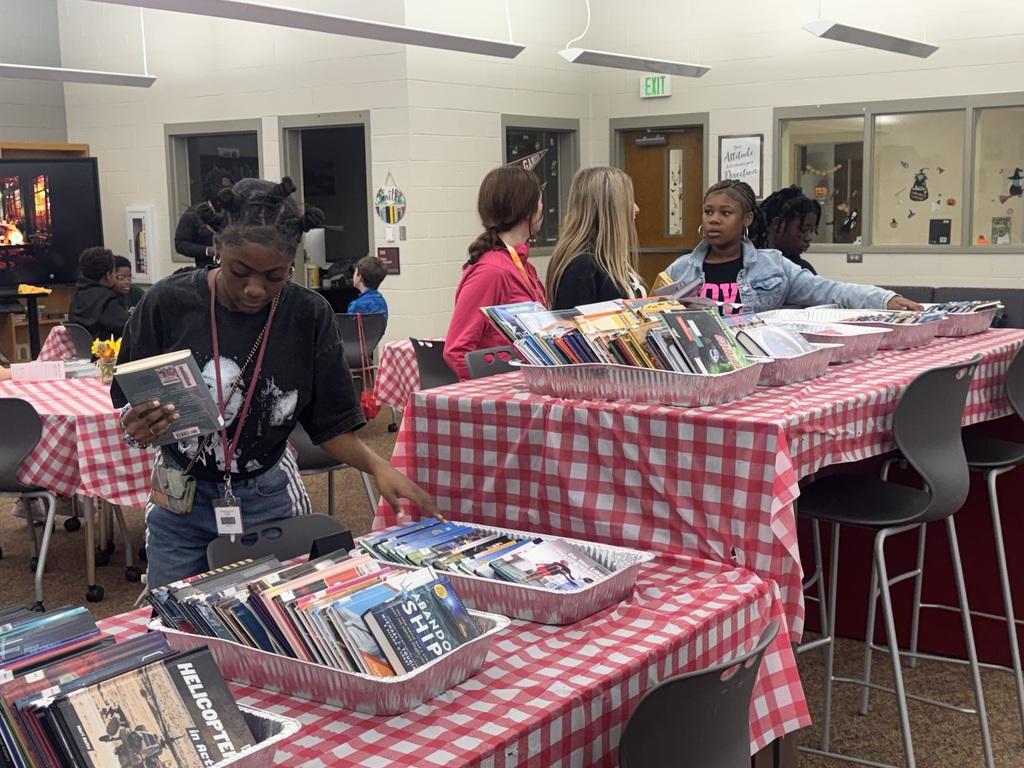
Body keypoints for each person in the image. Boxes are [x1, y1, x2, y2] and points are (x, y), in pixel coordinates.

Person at [112, 176, 442, 589]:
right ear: (215, 248)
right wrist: (135, 427)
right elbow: (130, 403)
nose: (255, 289)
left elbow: (328, 425)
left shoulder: (308, 315)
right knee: (174, 624)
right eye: (239, 271)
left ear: (292, 263)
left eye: (275, 276)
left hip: (266, 497)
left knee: (272, 622)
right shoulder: (166, 303)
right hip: (180, 500)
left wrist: (377, 465)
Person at [664, 180, 924, 313]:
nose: (714, 219)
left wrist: (886, 299)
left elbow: (831, 291)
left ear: (747, 219)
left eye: (725, 212)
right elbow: (650, 319)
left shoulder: (773, 267)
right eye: (708, 211)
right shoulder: (680, 270)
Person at [443, 165, 547, 380]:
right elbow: (457, 351)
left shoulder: (521, 265)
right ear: (527, 210)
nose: (543, 207)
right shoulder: (492, 271)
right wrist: (498, 388)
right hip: (504, 395)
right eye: (540, 200)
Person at [546, 167, 644, 310]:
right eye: (629, 200)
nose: (636, 208)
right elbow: (575, 328)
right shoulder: (583, 267)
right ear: (611, 209)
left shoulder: (609, 261)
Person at [174, 166, 235, 269]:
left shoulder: (234, 212)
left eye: (229, 188)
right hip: (206, 272)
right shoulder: (194, 214)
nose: (225, 192)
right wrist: (208, 251)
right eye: (221, 187)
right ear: (212, 188)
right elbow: (180, 244)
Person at [68, 246, 131, 342]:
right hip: (107, 353)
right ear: (108, 275)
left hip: (83, 353)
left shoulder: (77, 293)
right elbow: (129, 327)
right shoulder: (106, 299)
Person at [757, 185, 821, 274]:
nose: (809, 237)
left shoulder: (802, 271)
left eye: (812, 230)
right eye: (803, 229)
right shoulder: (749, 265)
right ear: (776, 223)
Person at [347, 255, 389, 332]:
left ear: (360, 277)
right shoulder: (382, 302)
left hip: (354, 343)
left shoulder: (356, 305)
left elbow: (348, 331)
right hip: (373, 342)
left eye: (355, 272)